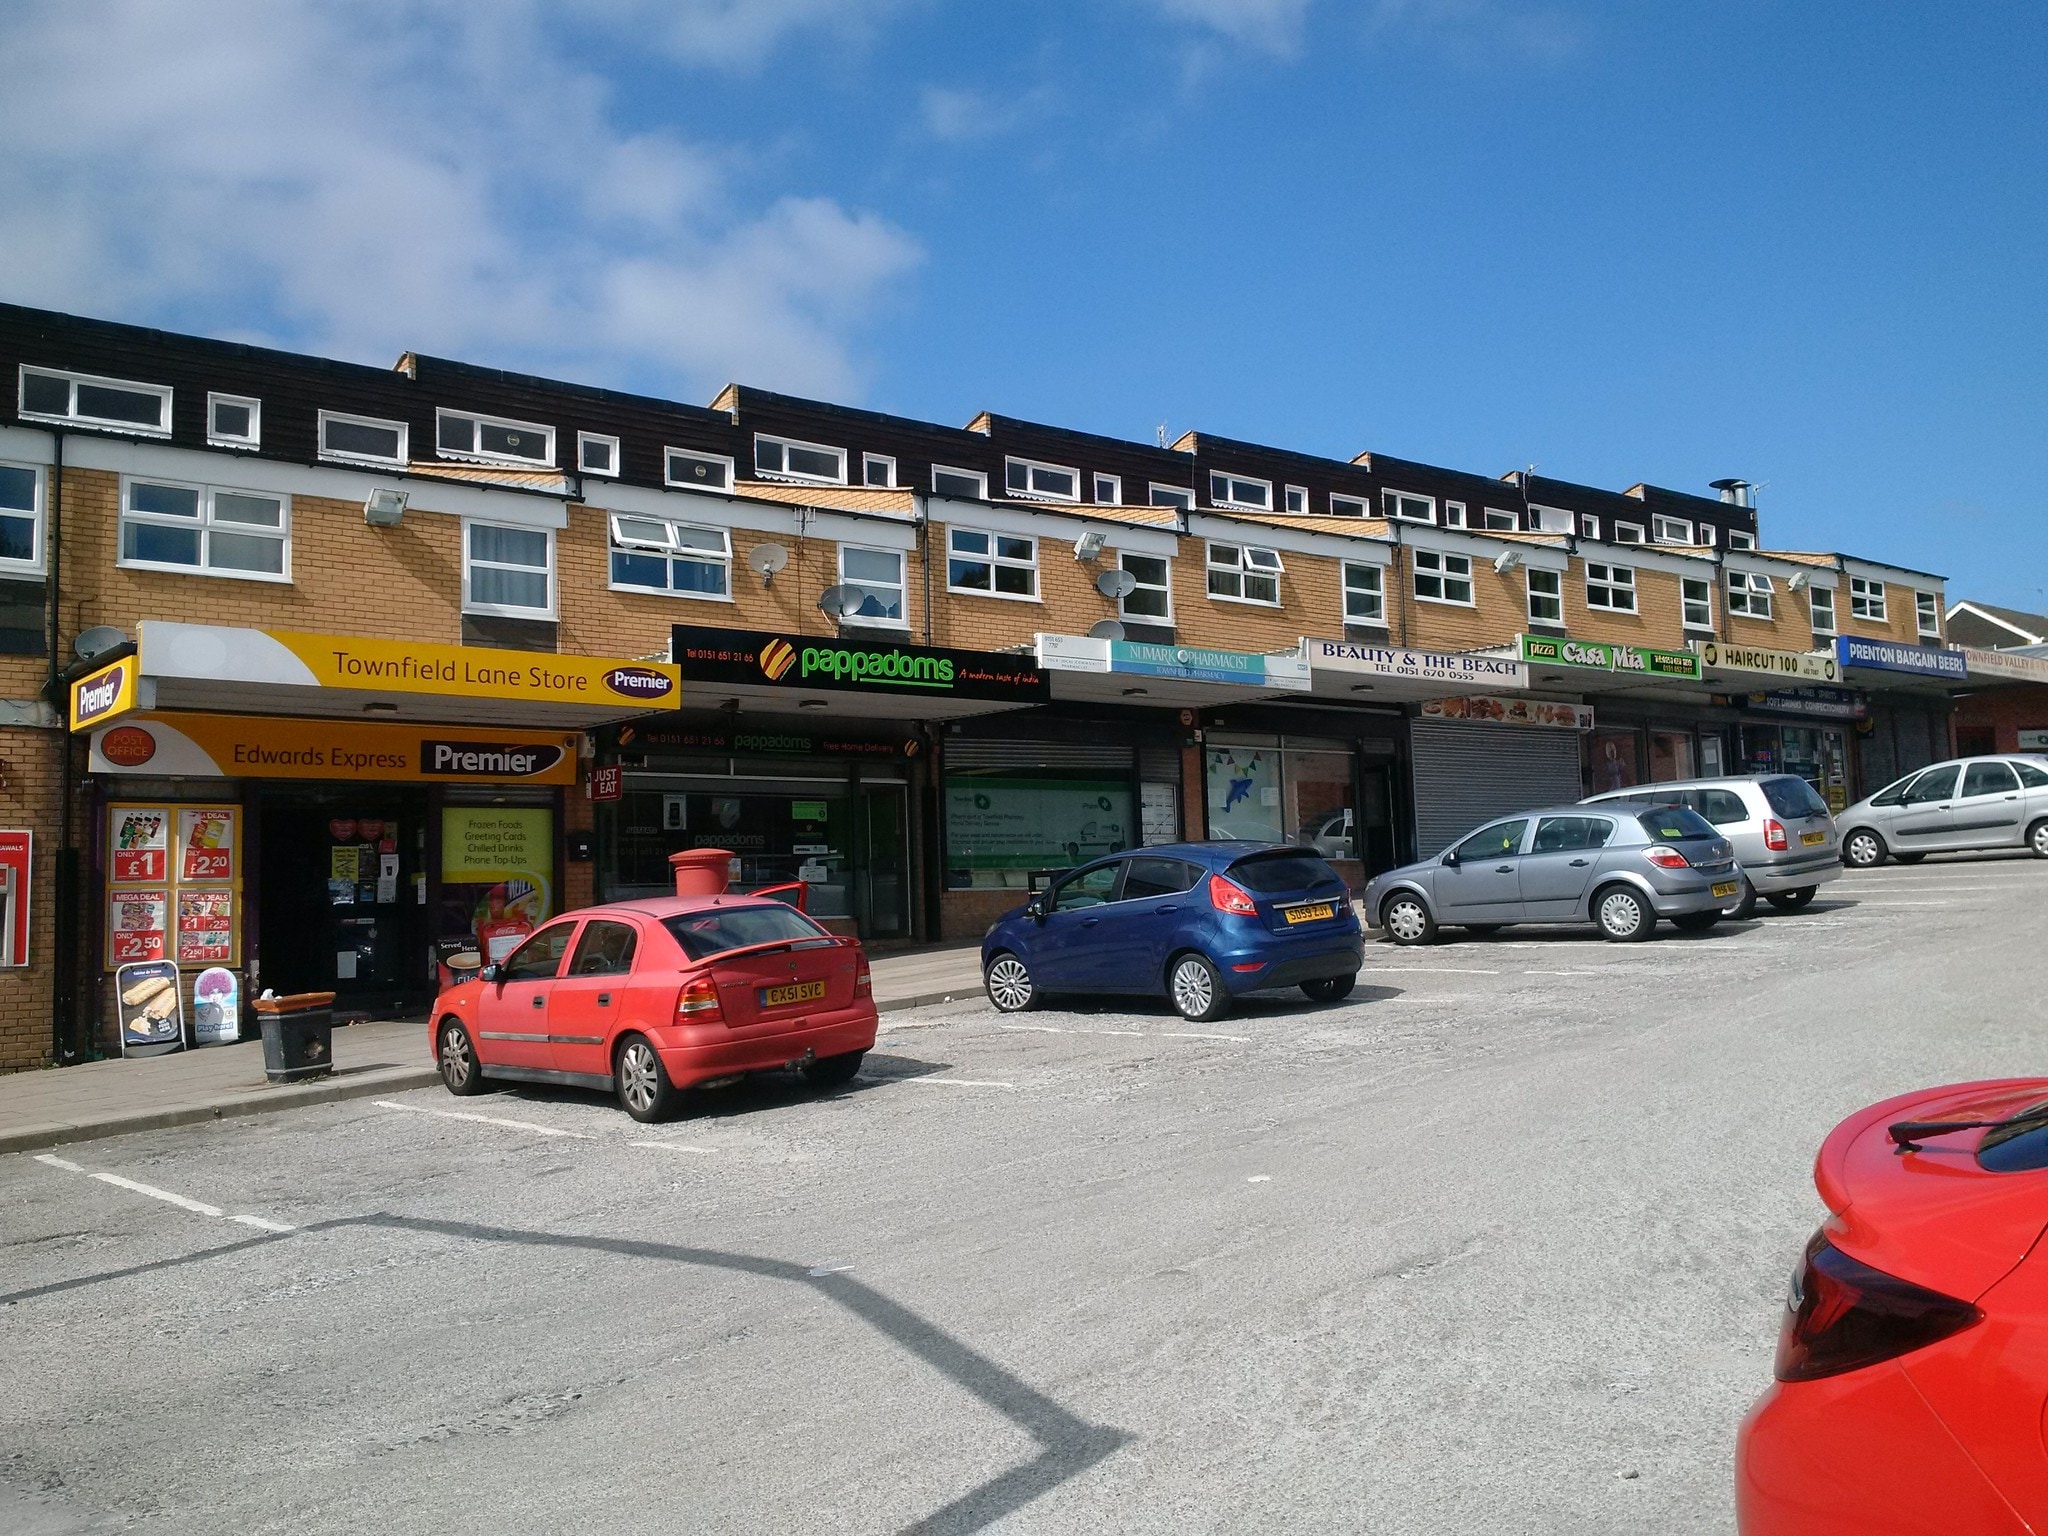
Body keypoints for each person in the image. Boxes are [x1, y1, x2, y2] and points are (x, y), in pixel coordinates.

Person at [475, 883, 535, 964]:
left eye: (499, 900)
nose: (495, 904)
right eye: (492, 900)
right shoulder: (483, 924)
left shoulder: (520, 920)